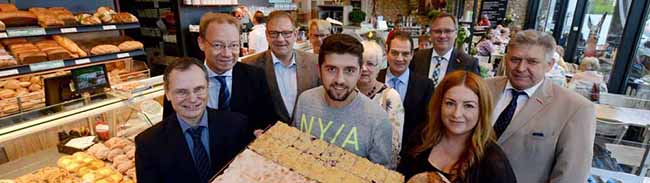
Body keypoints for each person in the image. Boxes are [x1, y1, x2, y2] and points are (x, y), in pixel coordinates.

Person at [485, 30, 595, 182]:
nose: (521, 68)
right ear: (505, 59)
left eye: (532, 62)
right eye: (515, 59)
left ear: (549, 65)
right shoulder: (482, 89)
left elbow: (571, 176)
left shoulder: (575, 108)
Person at [136, 58, 252, 183]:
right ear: (167, 93)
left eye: (199, 89)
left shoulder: (237, 125)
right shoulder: (148, 144)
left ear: (208, 88)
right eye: (182, 92)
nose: (192, 99)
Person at [292, 34, 394, 168]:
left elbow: (381, 176)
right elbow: (293, 150)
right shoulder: (304, 101)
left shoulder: (378, 120)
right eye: (331, 69)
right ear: (319, 70)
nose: (339, 80)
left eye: (349, 70)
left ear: (359, 72)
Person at [163, 13, 277, 132]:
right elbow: (170, 130)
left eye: (233, 45)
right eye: (218, 45)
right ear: (201, 43)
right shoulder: (180, 79)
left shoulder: (255, 77)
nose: (227, 54)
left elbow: (268, 123)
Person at [398, 71, 516, 183]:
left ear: (482, 110)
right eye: (450, 103)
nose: (457, 114)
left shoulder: (493, 163)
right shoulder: (421, 137)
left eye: (468, 106)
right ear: (439, 105)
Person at [242, 11, 320, 123]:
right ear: (266, 35)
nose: (280, 39)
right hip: (270, 138)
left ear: (296, 34)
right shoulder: (249, 66)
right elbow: (245, 110)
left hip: (309, 137)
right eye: (274, 33)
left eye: (286, 33)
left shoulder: (314, 62)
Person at [377, 31, 434, 157]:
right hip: (375, 153)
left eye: (405, 54)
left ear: (412, 55)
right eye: (395, 53)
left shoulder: (425, 85)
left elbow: (427, 124)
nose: (399, 59)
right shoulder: (374, 78)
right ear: (387, 52)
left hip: (410, 155)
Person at [358, 40, 405, 163]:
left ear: (379, 66)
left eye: (370, 64)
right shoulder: (347, 93)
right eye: (360, 62)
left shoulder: (390, 97)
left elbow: (394, 146)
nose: (364, 68)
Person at [410, 12, 479, 86]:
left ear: (456, 34)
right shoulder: (417, 57)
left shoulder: (469, 64)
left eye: (448, 31)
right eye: (437, 31)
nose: (442, 36)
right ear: (430, 34)